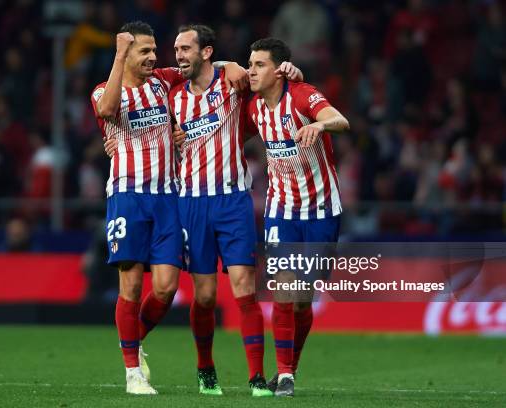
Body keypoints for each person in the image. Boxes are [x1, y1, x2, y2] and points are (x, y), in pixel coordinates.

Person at [91, 21, 247, 395]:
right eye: (144, 51)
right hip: (128, 196)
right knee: (129, 286)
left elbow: (200, 64)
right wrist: (117, 56)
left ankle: (132, 340)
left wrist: (232, 66)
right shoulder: (103, 90)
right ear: (126, 55)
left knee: (165, 288)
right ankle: (133, 374)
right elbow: (108, 109)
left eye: (154, 50)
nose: (154, 58)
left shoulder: (162, 81)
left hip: (167, 197)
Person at [168, 25, 303, 397]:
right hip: (192, 203)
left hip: (233, 201)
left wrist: (289, 71)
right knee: (206, 296)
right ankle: (205, 367)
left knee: (245, 288)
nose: (178, 55)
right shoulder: (172, 97)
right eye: (176, 49)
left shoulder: (233, 84)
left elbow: (269, 81)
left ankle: (256, 377)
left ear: (206, 52)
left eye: (185, 49)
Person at [246, 37, 350, 396]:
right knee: (285, 291)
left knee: (304, 298)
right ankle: (285, 374)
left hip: (321, 209)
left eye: (259, 65)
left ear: (279, 70)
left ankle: (291, 366)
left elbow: (341, 120)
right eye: (250, 64)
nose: (251, 71)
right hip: (281, 209)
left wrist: (320, 126)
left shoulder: (303, 95)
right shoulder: (254, 108)